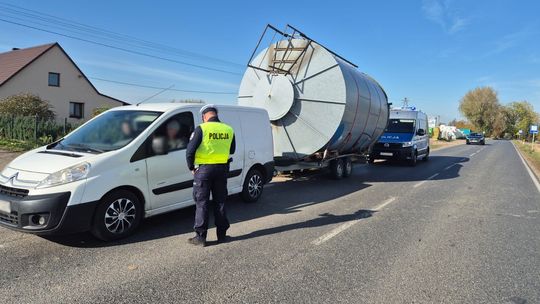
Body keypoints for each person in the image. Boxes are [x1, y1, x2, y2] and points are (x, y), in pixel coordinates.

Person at [186, 104, 235, 247]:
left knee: (202, 203)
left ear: (204, 116)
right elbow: (232, 149)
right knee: (220, 202)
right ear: (216, 115)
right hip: (222, 169)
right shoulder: (229, 129)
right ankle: (222, 235)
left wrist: (191, 167)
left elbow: (190, 151)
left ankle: (201, 237)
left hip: (204, 171)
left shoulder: (202, 128)